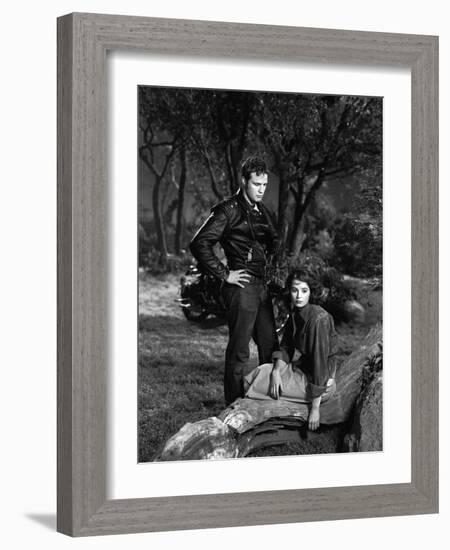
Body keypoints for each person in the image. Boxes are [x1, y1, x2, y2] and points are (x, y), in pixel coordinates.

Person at [190, 155, 280, 405]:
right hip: (241, 288)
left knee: (270, 345)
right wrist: (224, 273)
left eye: (264, 185)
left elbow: (274, 239)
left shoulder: (263, 211)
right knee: (239, 353)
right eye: (256, 184)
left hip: (261, 287)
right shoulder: (228, 210)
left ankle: (266, 403)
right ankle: (234, 407)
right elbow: (199, 243)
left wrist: (273, 261)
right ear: (243, 181)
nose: (261, 190)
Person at [244, 268, 338, 431]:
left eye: (304, 290)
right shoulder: (296, 312)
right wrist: (276, 371)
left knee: (253, 383)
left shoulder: (317, 319)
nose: (299, 296)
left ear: (311, 292)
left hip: (318, 384)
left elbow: (320, 365)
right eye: (295, 290)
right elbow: (286, 346)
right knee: (261, 373)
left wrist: (315, 409)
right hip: (302, 371)